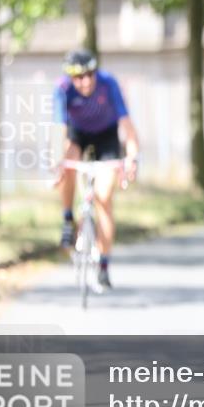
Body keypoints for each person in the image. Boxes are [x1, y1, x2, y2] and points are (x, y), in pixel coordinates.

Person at [54, 49, 139, 290]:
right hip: (77, 134)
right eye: (79, 77)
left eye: (90, 74)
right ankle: (68, 218)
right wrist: (54, 159)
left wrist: (132, 157)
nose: (86, 81)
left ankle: (103, 264)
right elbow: (58, 127)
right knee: (67, 164)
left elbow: (127, 124)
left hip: (107, 137)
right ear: (70, 78)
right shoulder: (62, 89)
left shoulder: (108, 83)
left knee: (103, 198)